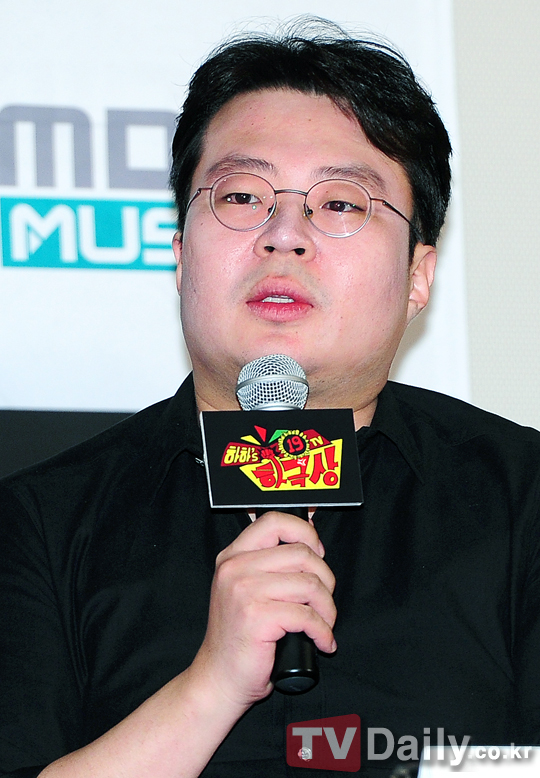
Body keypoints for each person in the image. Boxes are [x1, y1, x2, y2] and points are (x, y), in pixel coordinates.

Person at [1, 17, 540, 778]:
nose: (285, 234)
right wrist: (209, 687)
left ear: (418, 275)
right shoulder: (39, 525)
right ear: (180, 255)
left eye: (341, 204)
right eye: (243, 196)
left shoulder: (523, 499)